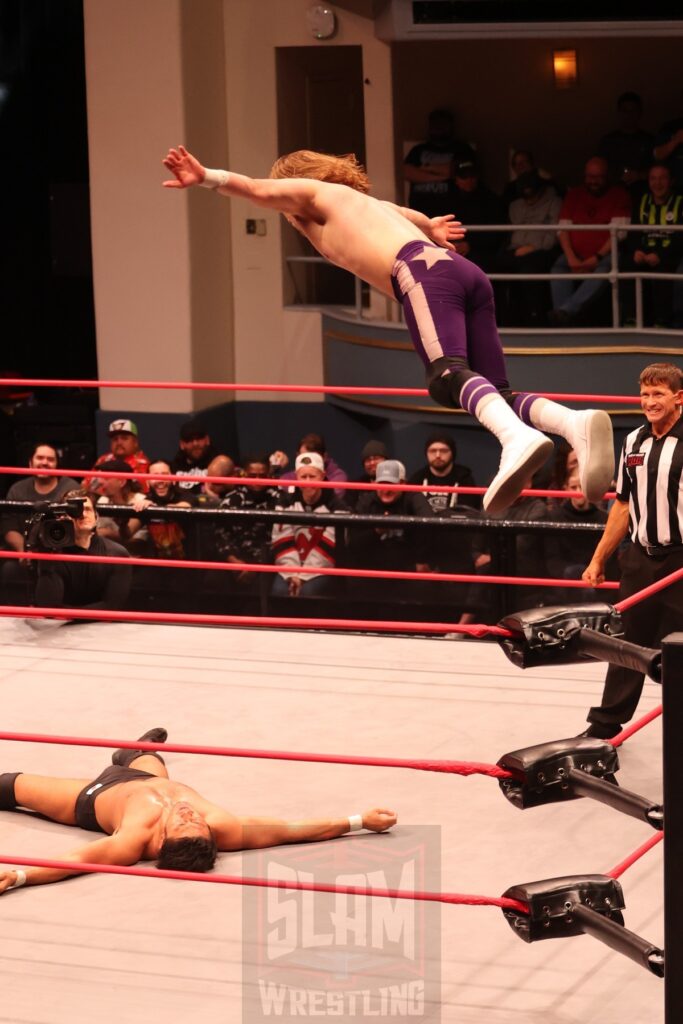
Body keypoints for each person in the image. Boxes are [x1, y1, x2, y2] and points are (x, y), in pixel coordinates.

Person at [162, 144, 614, 514]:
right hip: (462, 272)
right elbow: (408, 214)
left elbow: (257, 189)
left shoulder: (315, 194)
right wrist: (431, 223)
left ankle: (516, 440)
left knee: (447, 376)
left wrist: (206, 178)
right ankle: (571, 423)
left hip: (420, 274)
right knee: (494, 392)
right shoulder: (364, 203)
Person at [0, 727, 397, 890]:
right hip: (146, 778)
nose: (190, 814)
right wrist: (359, 820)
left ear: (162, 840)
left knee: (9, 786)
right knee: (144, 754)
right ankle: (135, 751)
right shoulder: (221, 827)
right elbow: (293, 829)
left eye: (183, 823)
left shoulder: (131, 842)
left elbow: (74, 859)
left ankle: (132, 756)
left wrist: (18, 876)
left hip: (91, 798)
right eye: (196, 823)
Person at [580, 362, 683, 738]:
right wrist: (598, 558)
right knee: (626, 643)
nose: (650, 401)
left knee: (680, 647)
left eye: (658, 394)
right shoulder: (633, 442)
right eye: (644, 394)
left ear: (679, 398)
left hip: (681, 561)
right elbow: (622, 506)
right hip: (640, 558)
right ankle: (604, 727)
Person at [549, 157, 631, 326]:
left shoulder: (619, 195)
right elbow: (562, 229)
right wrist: (571, 257)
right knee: (558, 267)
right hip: (575, 253)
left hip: (604, 255)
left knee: (606, 267)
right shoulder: (574, 195)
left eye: (598, 177)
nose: (593, 181)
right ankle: (563, 321)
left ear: (606, 176)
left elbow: (619, 233)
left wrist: (597, 257)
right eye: (590, 176)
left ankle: (566, 312)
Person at [32, 489, 132, 611]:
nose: (83, 514)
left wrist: (71, 615)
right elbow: (48, 606)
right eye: (75, 511)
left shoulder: (117, 554)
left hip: (101, 626)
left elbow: (113, 604)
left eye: (87, 509)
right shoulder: (54, 553)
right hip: (59, 626)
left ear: (96, 516)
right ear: (63, 517)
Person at [271, 452, 346, 598]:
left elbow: (328, 549)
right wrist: (293, 574)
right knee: (279, 592)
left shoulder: (337, 506)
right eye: (303, 477)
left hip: (321, 568)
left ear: (323, 476)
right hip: (290, 566)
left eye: (312, 476)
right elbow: (281, 540)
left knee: (308, 593)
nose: (308, 482)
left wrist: (303, 577)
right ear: (296, 477)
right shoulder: (285, 503)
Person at [494, 170, 562, 327]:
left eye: (532, 195)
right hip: (515, 249)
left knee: (529, 271)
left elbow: (553, 235)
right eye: (526, 196)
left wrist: (533, 247)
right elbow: (510, 233)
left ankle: (534, 319)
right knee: (494, 267)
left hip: (541, 251)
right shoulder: (515, 206)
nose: (529, 200)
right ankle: (502, 320)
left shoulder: (554, 202)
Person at [622, 163, 683, 328]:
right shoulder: (642, 201)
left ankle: (663, 322)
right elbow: (633, 232)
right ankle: (631, 319)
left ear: (671, 181)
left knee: (665, 270)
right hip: (645, 252)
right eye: (653, 179)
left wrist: (661, 255)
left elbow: (680, 238)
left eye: (663, 178)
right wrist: (637, 251)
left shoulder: (680, 202)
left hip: (672, 254)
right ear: (648, 182)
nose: (658, 183)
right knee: (627, 264)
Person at [2, 443, 78, 553]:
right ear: (30, 463)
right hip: (26, 551)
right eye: (40, 458)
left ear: (57, 465)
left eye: (50, 459)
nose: (45, 463)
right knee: (9, 569)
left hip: (63, 551)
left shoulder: (71, 488)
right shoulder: (17, 489)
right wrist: (25, 552)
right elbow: (9, 528)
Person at [402, 108, 476, 219]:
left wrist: (424, 168)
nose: (438, 128)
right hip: (421, 214)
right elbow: (407, 172)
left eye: (443, 124)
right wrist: (444, 176)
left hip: (453, 214)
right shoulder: (418, 150)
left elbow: (454, 170)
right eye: (435, 124)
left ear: (451, 126)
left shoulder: (462, 149)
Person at [446, 160, 504, 271]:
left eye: (472, 176)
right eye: (464, 177)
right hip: (453, 250)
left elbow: (496, 233)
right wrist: (452, 244)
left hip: (483, 253)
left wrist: (470, 244)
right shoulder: (447, 201)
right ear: (456, 179)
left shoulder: (491, 200)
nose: (469, 180)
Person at [598, 92, 655, 192]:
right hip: (613, 194)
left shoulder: (649, 140)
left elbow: (659, 170)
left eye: (633, 111)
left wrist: (639, 175)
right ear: (619, 112)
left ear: (639, 113)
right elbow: (598, 170)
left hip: (643, 193)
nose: (629, 115)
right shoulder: (608, 141)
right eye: (625, 111)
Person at [409, 432, 479, 510]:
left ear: (452, 453)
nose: (438, 455)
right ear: (426, 453)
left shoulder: (465, 479)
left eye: (443, 451)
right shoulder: (417, 479)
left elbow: (468, 512)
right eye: (433, 451)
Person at [91, 419, 150, 494]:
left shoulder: (142, 465)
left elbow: (139, 493)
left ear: (135, 442)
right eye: (115, 439)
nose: (119, 442)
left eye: (124, 438)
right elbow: (87, 484)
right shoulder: (103, 459)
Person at [169, 418, 219, 495]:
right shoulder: (173, 467)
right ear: (182, 444)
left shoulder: (219, 464)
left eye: (199, 438)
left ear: (207, 440)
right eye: (189, 440)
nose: (195, 444)